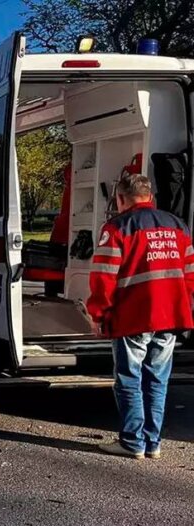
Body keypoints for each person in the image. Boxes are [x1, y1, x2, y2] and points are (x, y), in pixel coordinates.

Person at [87, 173, 194, 459]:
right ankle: (153, 442)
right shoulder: (178, 226)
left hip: (133, 317)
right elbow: (189, 276)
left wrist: (98, 314)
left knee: (129, 378)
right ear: (151, 197)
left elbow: (103, 277)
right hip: (170, 317)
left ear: (120, 199)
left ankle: (132, 442)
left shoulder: (117, 227)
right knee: (157, 379)